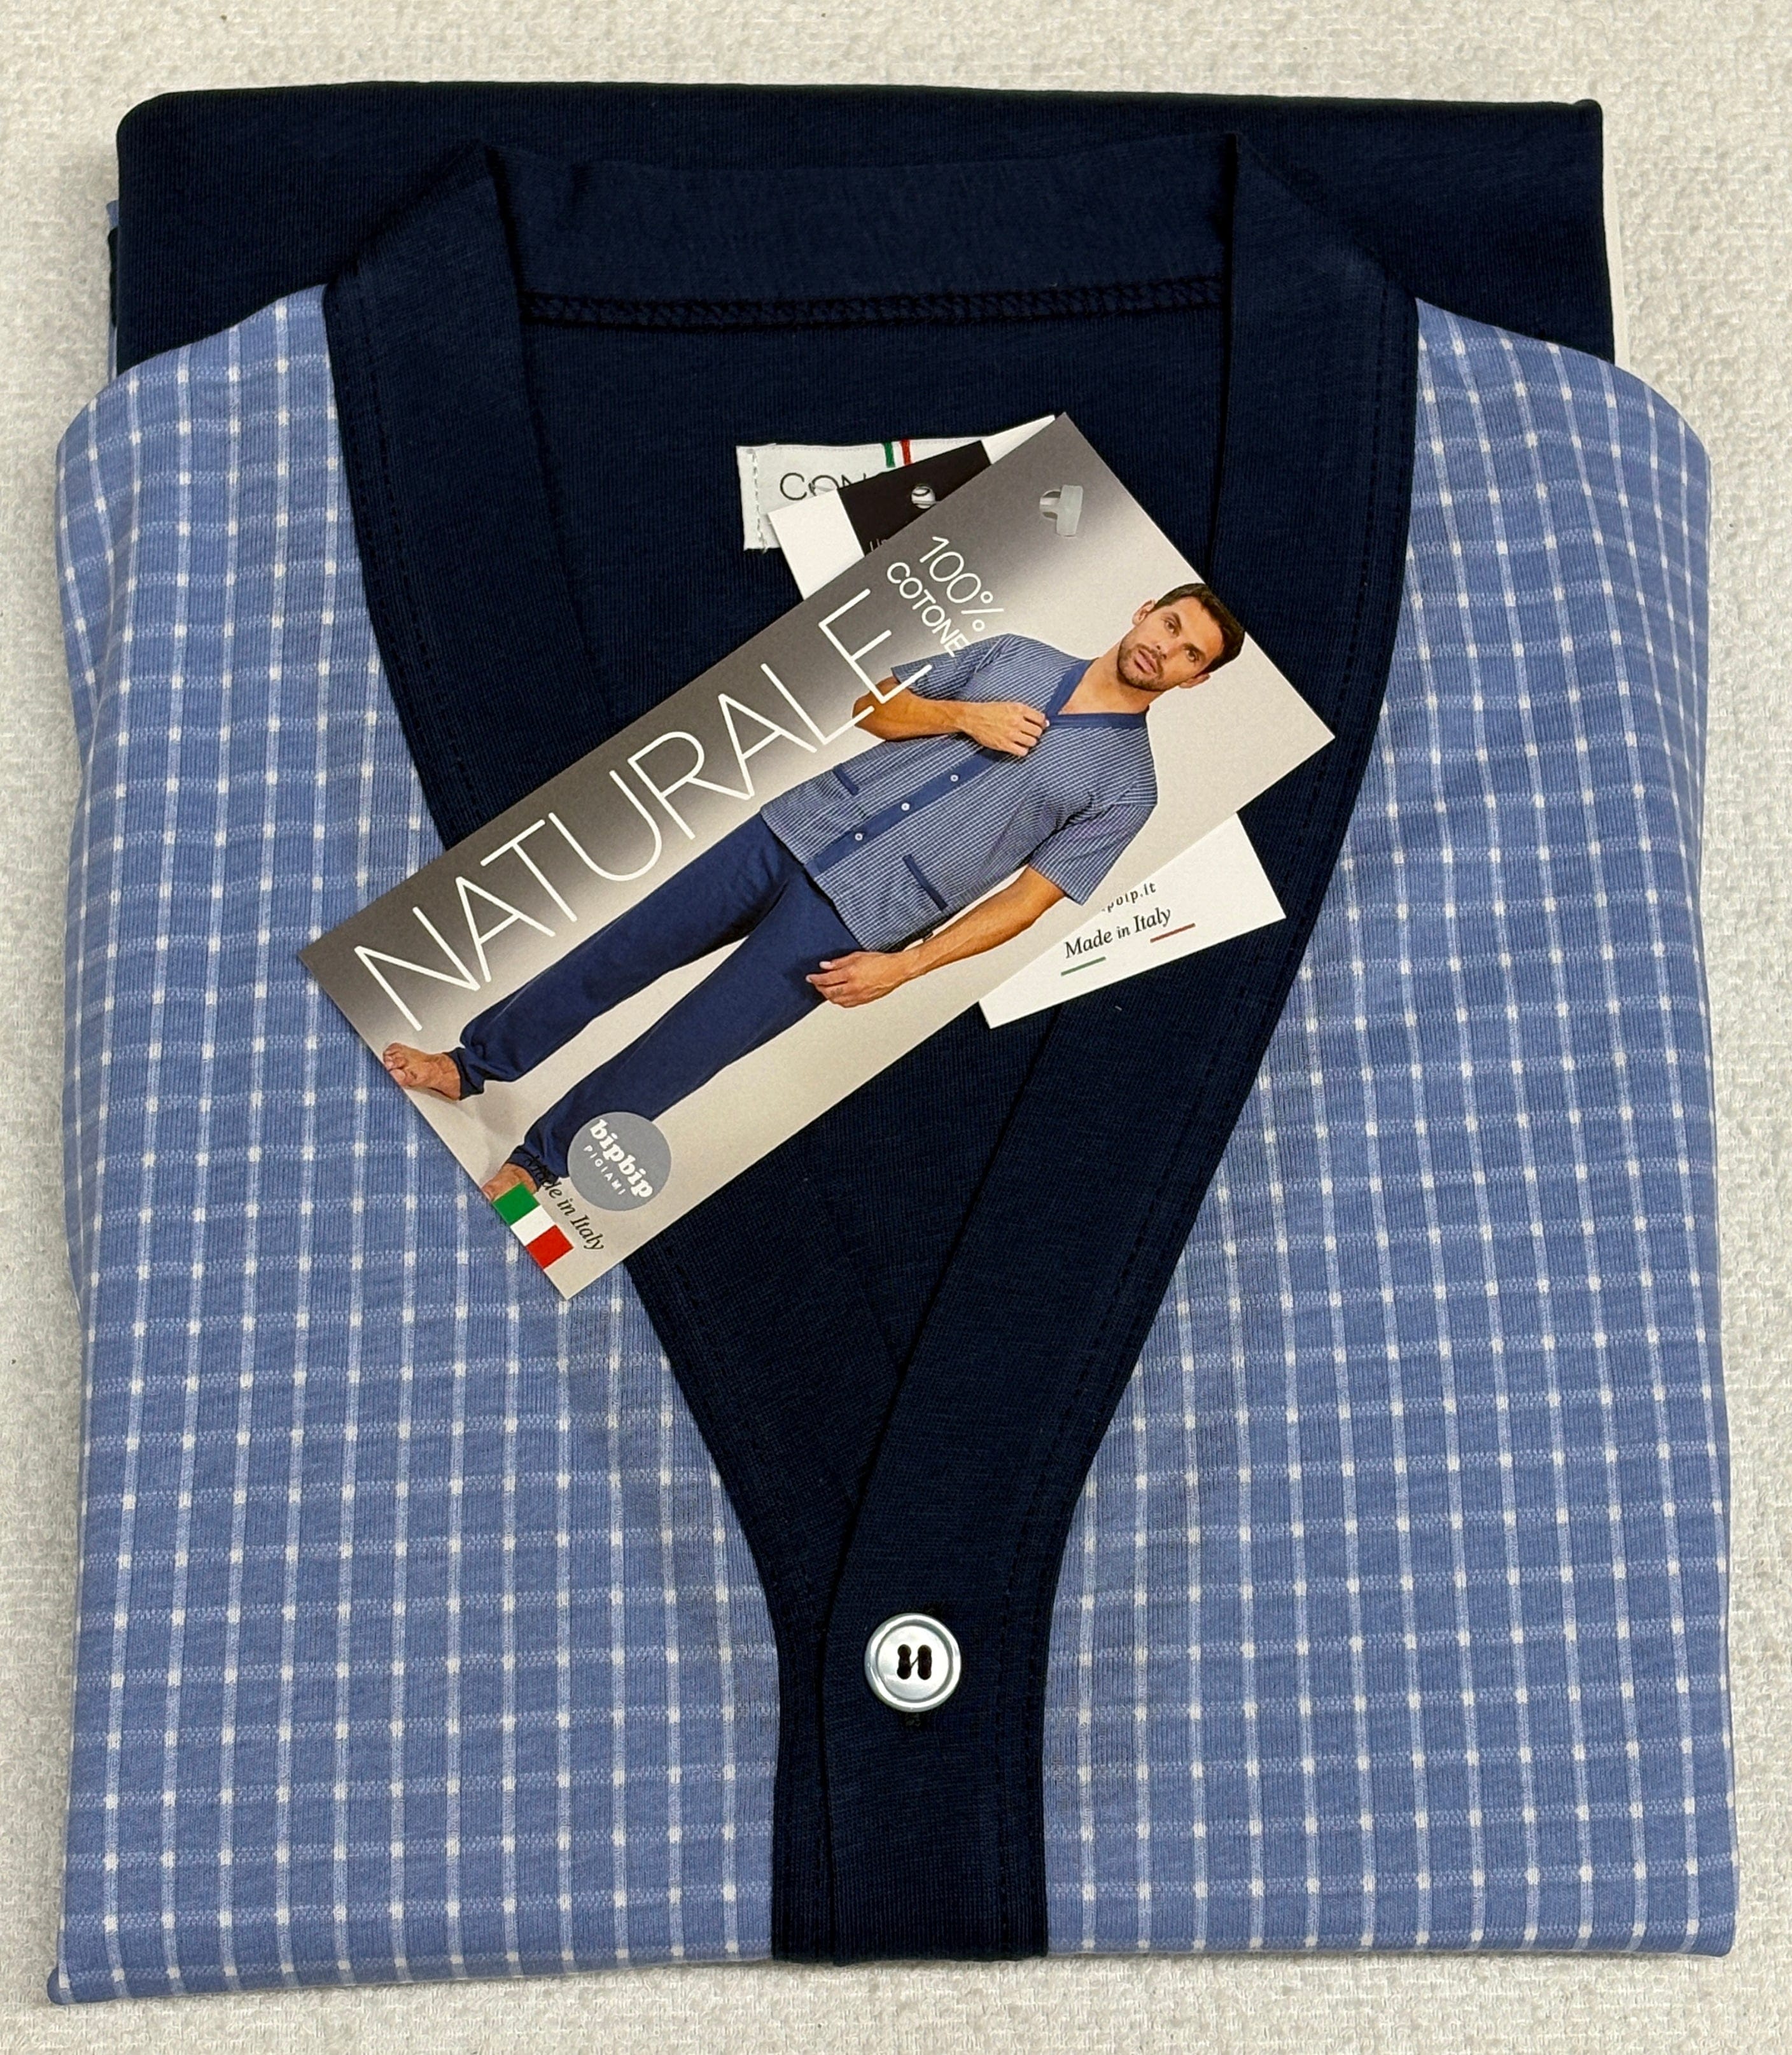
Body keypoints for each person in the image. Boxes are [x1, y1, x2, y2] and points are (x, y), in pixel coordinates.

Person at [382, 584, 1244, 1200]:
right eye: (1170, 624)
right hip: (791, 829)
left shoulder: (1130, 788)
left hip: (863, 917)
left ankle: (537, 1167)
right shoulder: (1015, 655)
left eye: (1189, 653)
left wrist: (904, 968)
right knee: (618, 955)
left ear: (1195, 681)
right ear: (1145, 610)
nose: (1165, 648)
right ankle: (469, 1066)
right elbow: (875, 706)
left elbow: (1029, 901)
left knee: (688, 1047)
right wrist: (963, 715)